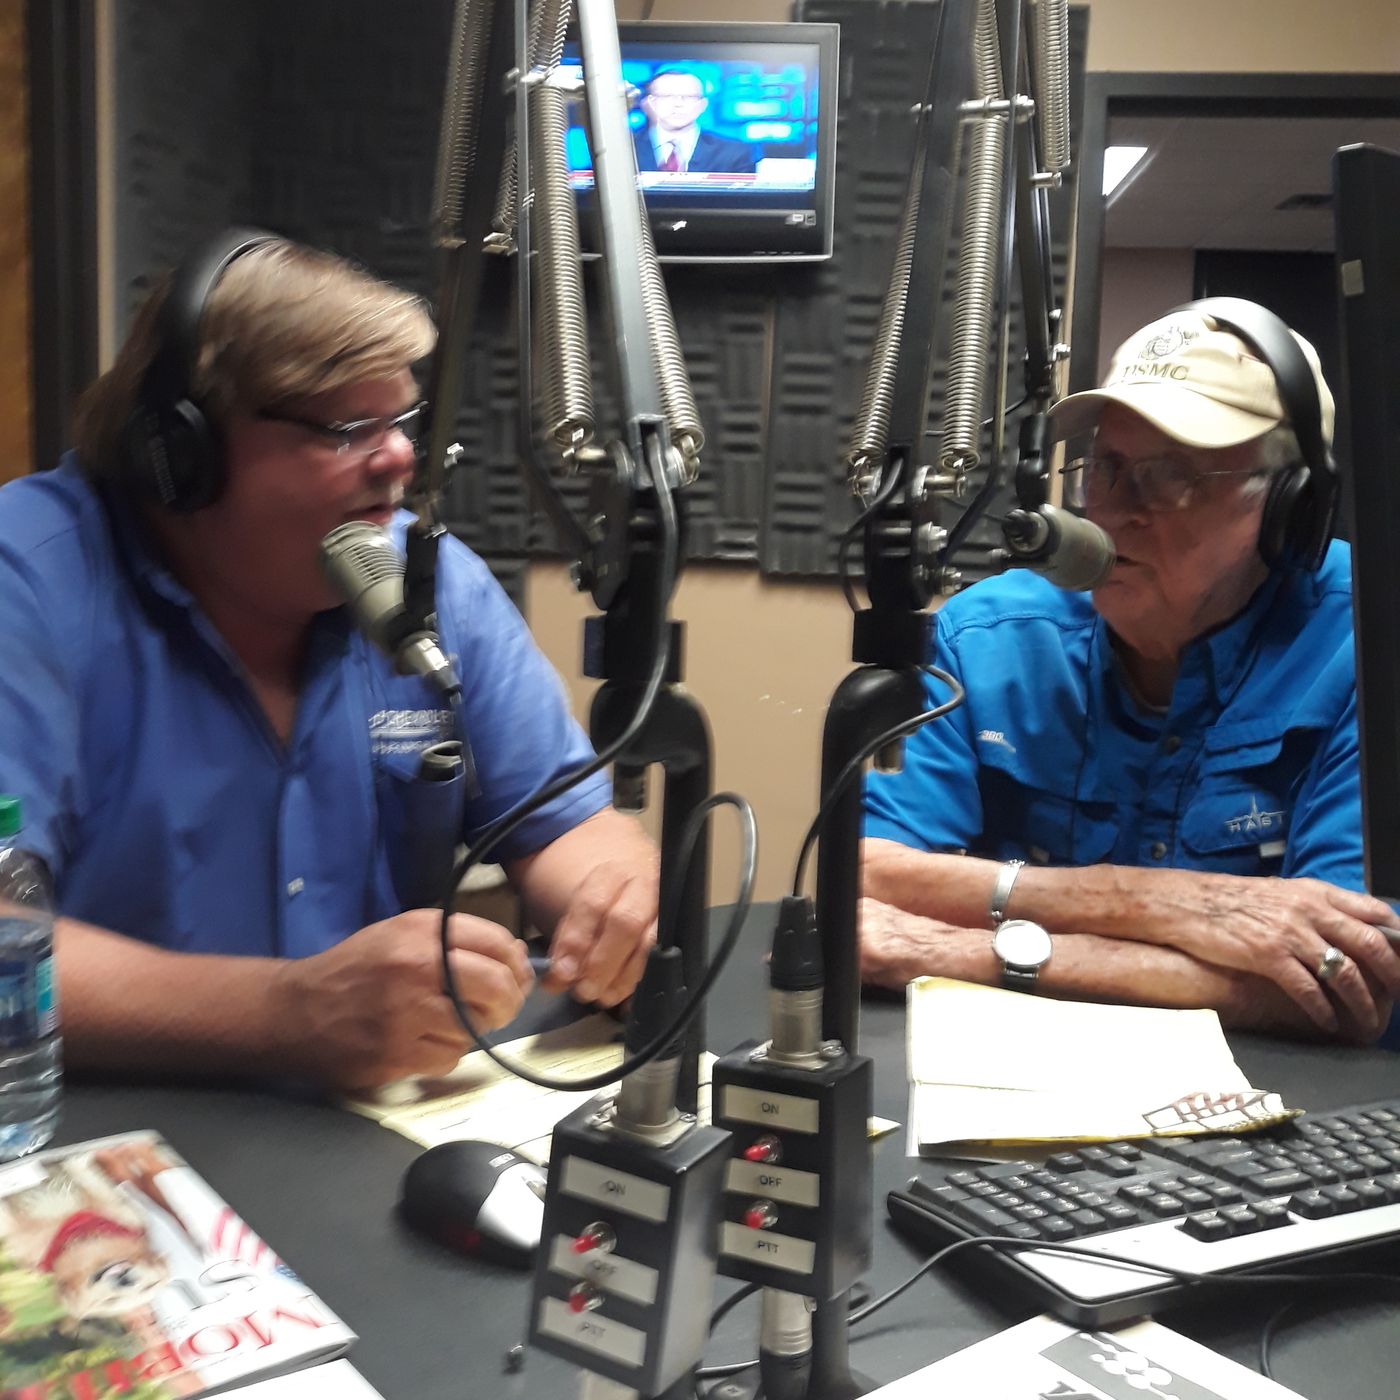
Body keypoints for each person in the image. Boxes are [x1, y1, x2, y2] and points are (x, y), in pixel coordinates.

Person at [0, 232, 660, 1090]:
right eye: (347, 430)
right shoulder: (29, 583)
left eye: (401, 422)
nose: (400, 459)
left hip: (368, 1130)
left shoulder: (431, 580)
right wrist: (283, 1016)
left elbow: (567, 824)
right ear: (182, 453)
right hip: (106, 1132)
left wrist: (612, 905)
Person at [860, 302, 1400, 1046]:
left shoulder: (1368, 647)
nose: (1115, 513)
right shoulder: (987, 637)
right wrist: (1162, 903)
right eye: (1106, 470)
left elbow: (1353, 976)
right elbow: (867, 877)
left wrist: (960, 950)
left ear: (1290, 508)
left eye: (1171, 476)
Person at [632, 69, 757, 177]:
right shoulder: (627, 148)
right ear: (651, 102)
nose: (678, 104)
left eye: (689, 97)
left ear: (703, 105)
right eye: (667, 96)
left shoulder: (733, 152)